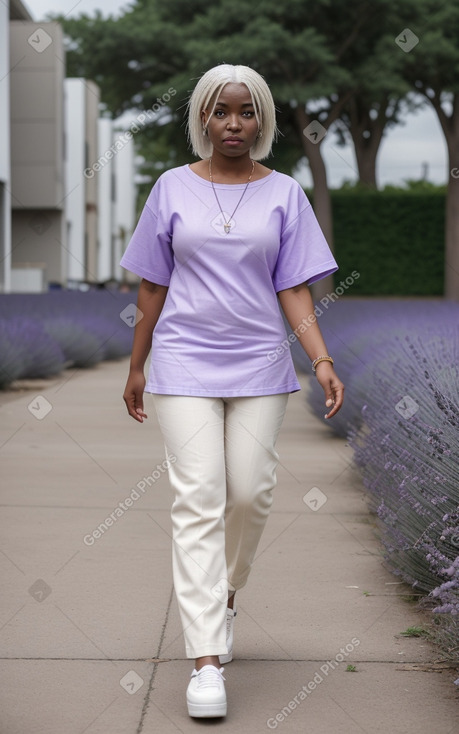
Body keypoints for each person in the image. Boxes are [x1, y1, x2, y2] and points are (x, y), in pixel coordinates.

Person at [120, 63, 344, 719]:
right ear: (201, 119)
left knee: (249, 493)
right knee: (199, 498)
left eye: (246, 112)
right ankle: (205, 662)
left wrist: (321, 358)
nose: (233, 124)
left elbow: (293, 287)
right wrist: (137, 366)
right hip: (183, 363)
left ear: (263, 120)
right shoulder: (169, 188)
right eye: (221, 112)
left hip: (257, 367)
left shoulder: (284, 194)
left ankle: (226, 592)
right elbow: (151, 286)